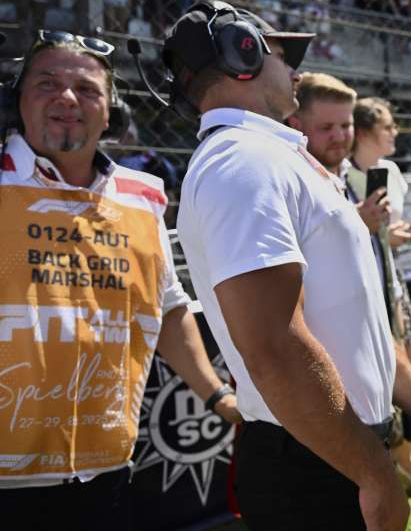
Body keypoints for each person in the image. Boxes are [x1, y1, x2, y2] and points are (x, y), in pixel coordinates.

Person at [166, 0, 411, 531]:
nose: (297, 71)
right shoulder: (244, 161)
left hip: (328, 452)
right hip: (316, 463)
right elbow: (275, 348)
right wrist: (375, 473)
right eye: (285, 54)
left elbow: (355, 329)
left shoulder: (270, 158)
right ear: (246, 51)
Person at [0, 30, 239, 531]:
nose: (68, 98)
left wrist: (217, 396)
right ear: (16, 100)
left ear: (111, 112)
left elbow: (168, 307)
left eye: (88, 89)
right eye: (47, 83)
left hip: (105, 466)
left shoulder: (142, 198)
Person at [286, 75, 411, 495]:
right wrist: (357, 220)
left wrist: (386, 231)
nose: (339, 137)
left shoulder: (351, 175)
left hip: (382, 293)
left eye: (345, 126)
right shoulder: (292, 177)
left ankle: (393, 463)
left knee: (397, 375)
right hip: (325, 326)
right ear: (298, 125)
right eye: (327, 128)